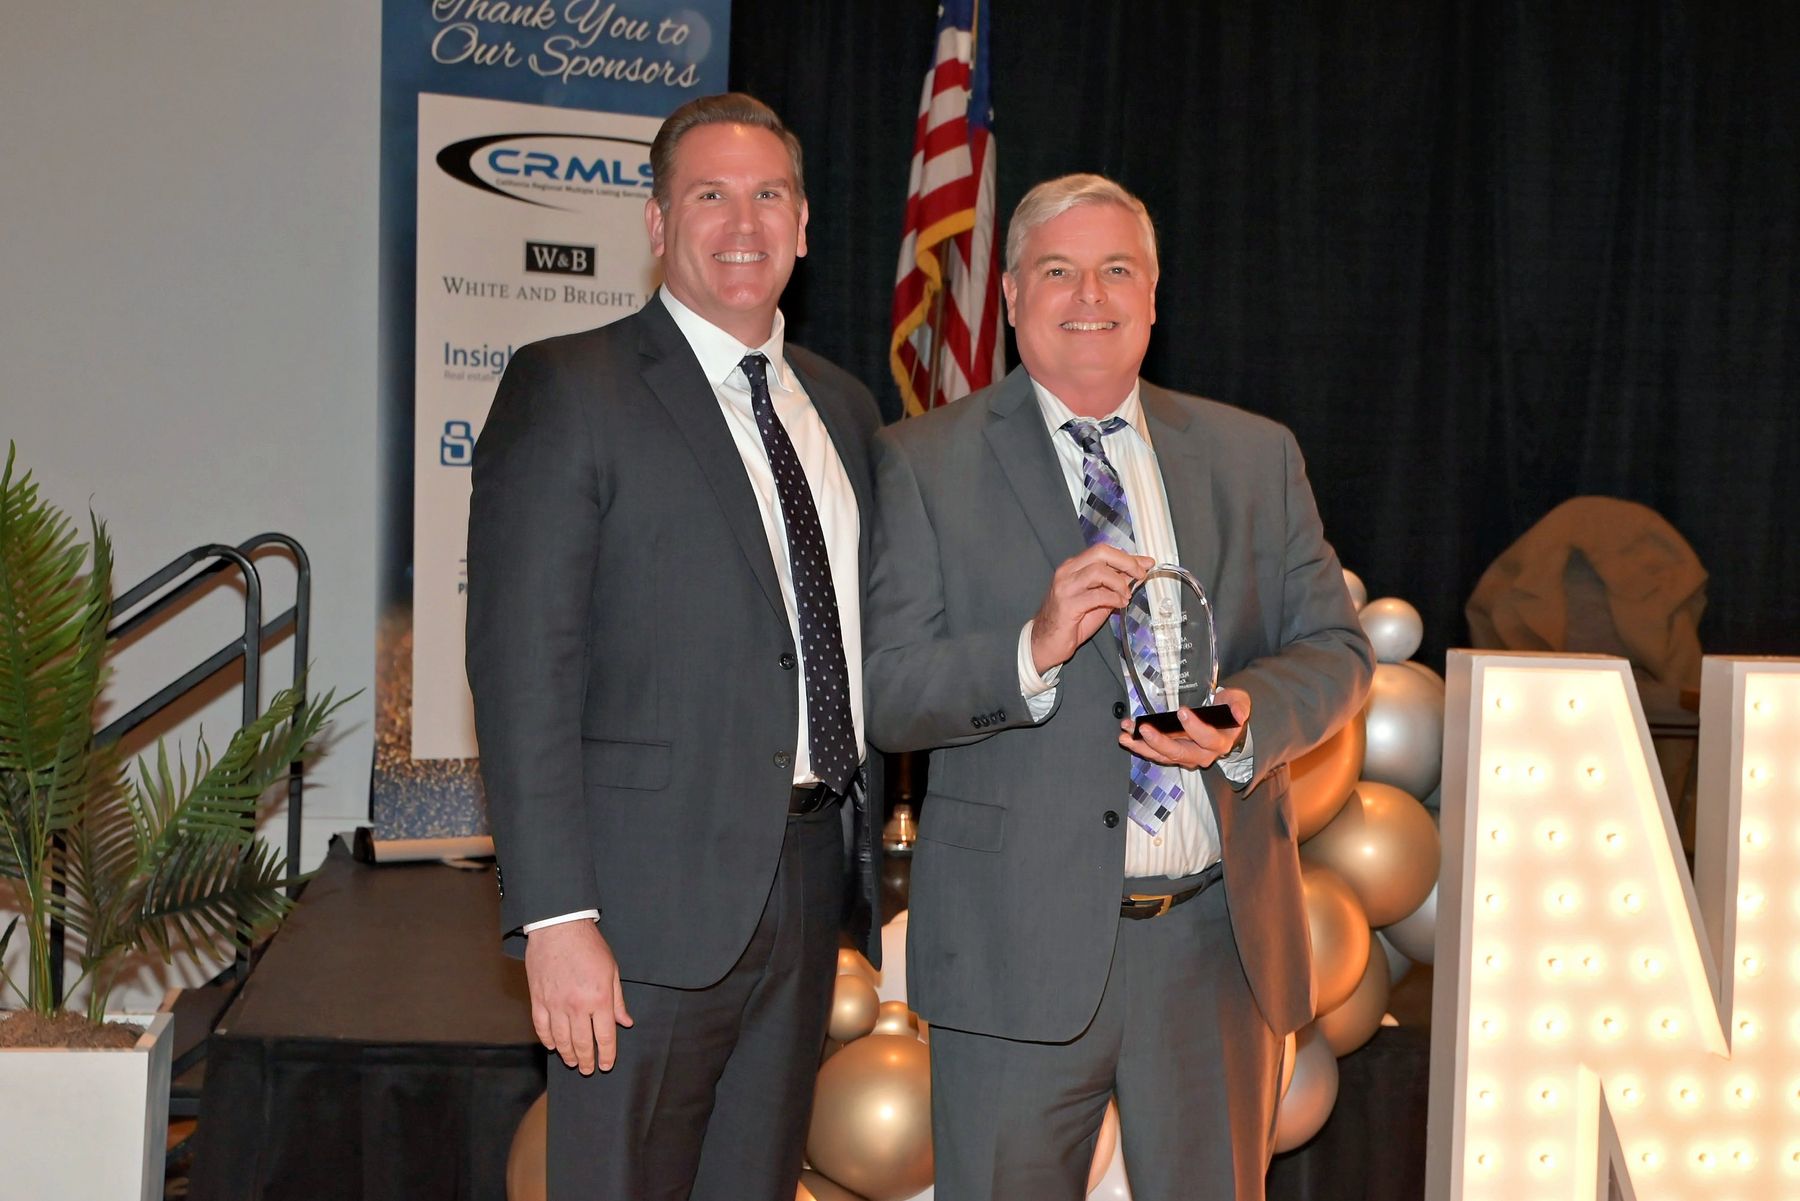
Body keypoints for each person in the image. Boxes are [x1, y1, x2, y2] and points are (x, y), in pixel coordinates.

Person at [863, 174, 1373, 1200]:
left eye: (1116, 270)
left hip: (1211, 945)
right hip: (1011, 952)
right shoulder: (922, 462)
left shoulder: (1254, 455)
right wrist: (1032, 647)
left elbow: (1337, 648)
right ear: (1012, 295)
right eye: (1058, 270)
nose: (1089, 294)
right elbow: (889, 690)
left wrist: (1247, 722)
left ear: (1152, 297)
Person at [465, 92, 882, 1201]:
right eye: (709, 196)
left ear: (803, 225)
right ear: (657, 224)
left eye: (768, 195)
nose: (743, 223)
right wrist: (557, 917)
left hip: (807, 884)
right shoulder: (570, 387)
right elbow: (522, 673)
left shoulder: (844, 411)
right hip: (638, 911)